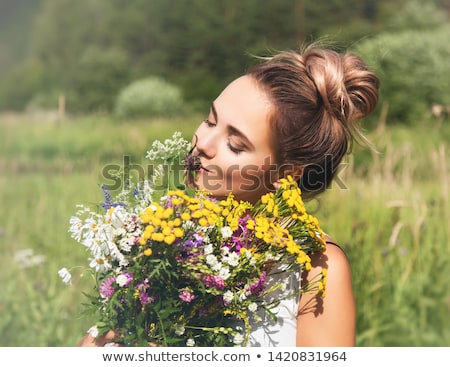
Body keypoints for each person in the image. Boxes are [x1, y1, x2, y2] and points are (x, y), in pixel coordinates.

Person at [78, 43, 379, 347]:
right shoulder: (161, 238)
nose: (203, 142)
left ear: (286, 173)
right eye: (210, 120)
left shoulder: (316, 268)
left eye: (235, 144)